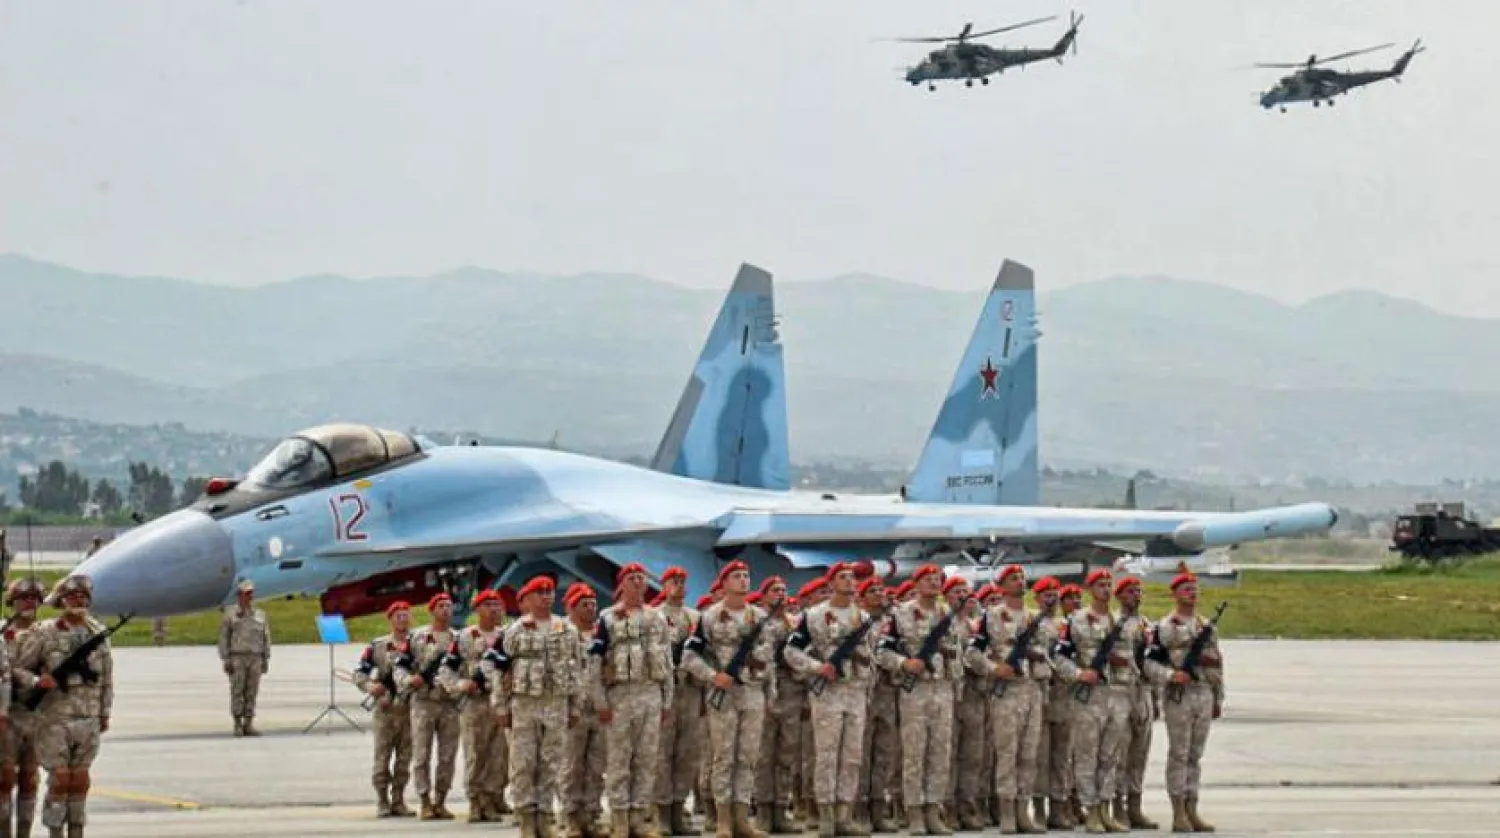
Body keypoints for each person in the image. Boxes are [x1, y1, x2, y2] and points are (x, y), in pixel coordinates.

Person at [681, 561, 776, 838]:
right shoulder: (709, 617)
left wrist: (768, 692)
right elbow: (689, 656)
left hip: (752, 693)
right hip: (723, 694)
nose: (744, 581)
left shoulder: (759, 617)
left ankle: (742, 818)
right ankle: (722, 819)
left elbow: (769, 657)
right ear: (724, 584)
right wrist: (712, 675)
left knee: (747, 756)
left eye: (746, 576)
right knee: (724, 756)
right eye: (737, 576)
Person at [783, 562, 876, 838]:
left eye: (852, 578)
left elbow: (870, 657)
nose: (850, 582)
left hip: (856, 691)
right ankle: (824, 815)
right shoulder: (814, 616)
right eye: (843, 577)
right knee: (826, 754)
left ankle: (844, 815)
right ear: (831, 583)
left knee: (852, 756)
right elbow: (791, 651)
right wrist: (816, 667)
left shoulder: (863, 618)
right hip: (829, 693)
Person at [487, 575, 582, 838]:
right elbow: (498, 671)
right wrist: (500, 707)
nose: (546, 597)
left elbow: (578, 670)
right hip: (524, 705)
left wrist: (575, 707)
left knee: (551, 763)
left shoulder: (567, 630)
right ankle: (527, 820)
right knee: (523, 763)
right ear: (526, 599)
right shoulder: (514, 631)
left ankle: (545, 818)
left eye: (549, 592)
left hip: (556, 703)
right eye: (540, 593)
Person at [24, 575, 113, 838]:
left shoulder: (98, 633)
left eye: (83, 596)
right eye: (72, 596)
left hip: (88, 718)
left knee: (80, 781)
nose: (78, 600)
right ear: (61, 601)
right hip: (54, 718)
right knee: (60, 779)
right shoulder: (44, 632)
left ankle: (77, 831)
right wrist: (39, 681)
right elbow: (20, 668)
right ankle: (55, 832)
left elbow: (107, 678)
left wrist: (105, 712)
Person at [875, 564, 959, 836]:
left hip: (943, 689)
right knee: (914, 752)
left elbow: (957, 651)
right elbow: (882, 651)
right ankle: (914, 814)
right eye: (929, 579)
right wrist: (904, 663)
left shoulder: (948, 613)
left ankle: (933, 811)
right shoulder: (900, 614)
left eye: (938, 580)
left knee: (940, 753)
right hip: (915, 691)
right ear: (917, 583)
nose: (935, 584)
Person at [592, 564, 674, 838]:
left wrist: (666, 701)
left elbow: (668, 663)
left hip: (650, 695)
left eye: (642, 579)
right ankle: (619, 821)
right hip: (620, 697)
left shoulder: (657, 618)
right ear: (622, 584)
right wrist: (600, 701)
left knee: (647, 760)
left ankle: (639, 818)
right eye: (632, 579)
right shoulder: (608, 618)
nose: (639, 583)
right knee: (619, 761)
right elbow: (594, 663)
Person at [1144, 568, 1224, 833]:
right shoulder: (1166, 627)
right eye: (1187, 589)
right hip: (1180, 695)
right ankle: (1178, 811)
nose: (1193, 593)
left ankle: (1192, 808)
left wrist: (1217, 698)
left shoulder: (1205, 626)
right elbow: (1149, 663)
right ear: (1175, 594)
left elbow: (1216, 663)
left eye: (1195, 589)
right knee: (1179, 753)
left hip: (1203, 693)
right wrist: (1171, 675)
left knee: (1194, 755)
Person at [436, 588, 510, 822]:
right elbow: (446, 670)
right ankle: (475, 801)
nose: (495, 610)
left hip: (500, 702)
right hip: (475, 704)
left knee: (500, 755)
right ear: (478, 609)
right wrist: (460, 685)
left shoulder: (507, 636)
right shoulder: (465, 637)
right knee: (476, 754)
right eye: (489, 606)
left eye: (498, 605)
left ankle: (492, 798)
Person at [396, 593, 462, 820]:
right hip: (423, 702)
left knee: (447, 756)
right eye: (441, 606)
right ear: (432, 610)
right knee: (421, 754)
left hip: (449, 704)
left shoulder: (459, 639)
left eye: (449, 606)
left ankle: (441, 800)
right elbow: (400, 667)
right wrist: (408, 681)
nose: (446, 610)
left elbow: (466, 669)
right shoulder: (417, 638)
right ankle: (424, 800)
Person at [352, 601, 416, 818]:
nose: (402, 619)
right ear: (390, 619)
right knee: (382, 758)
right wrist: (371, 686)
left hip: (408, 710)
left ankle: (399, 799)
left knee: (404, 759)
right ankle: (382, 799)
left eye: (406, 615)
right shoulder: (378, 646)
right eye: (398, 615)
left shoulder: (417, 644)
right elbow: (359, 673)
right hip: (385, 710)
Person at [652, 567, 704, 836]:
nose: (680, 586)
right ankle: (661, 812)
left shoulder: (695, 617)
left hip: (691, 690)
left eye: (683, 582)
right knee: (662, 753)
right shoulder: (654, 617)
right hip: (665, 691)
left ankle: (678, 809)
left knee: (687, 753)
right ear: (663, 585)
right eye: (674, 582)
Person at [2, 577, 46, 838]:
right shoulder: (2, 633)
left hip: (37, 716)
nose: (28, 603)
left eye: (34, 598)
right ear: (12, 601)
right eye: (23, 598)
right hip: (7, 715)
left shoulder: (48, 633)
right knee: (4, 779)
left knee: (30, 779)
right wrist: (32, 679)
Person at [564, 583, 607, 838]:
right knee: (571, 765)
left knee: (596, 766)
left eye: (593, 604)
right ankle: (571, 817)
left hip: (600, 708)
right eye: (584, 604)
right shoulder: (563, 634)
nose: (591, 609)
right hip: (574, 710)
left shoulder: (603, 636)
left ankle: (591, 816)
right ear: (571, 607)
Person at [217, 579, 271, 737]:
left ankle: (249, 723)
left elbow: (266, 637)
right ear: (239, 595)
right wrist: (226, 659)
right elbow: (223, 639)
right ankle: (237, 723)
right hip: (238, 657)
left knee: (252, 691)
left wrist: (266, 658)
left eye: (251, 593)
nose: (250, 597)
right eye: (247, 594)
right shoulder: (230, 615)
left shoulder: (260, 615)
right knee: (237, 690)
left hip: (255, 657)